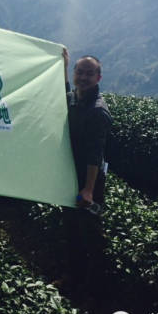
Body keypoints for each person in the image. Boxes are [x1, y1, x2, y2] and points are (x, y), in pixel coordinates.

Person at [60, 48, 112, 296]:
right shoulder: (73, 99)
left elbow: (95, 153)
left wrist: (88, 189)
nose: (83, 77)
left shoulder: (98, 111)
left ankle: (95, 290)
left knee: (90, 234)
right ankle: (74, 280)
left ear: (98, 78)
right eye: (79, 72)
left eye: (89, 74)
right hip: (70, 175)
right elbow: (61, 92)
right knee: (71, 230)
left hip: (88, 181)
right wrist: (62, 65)